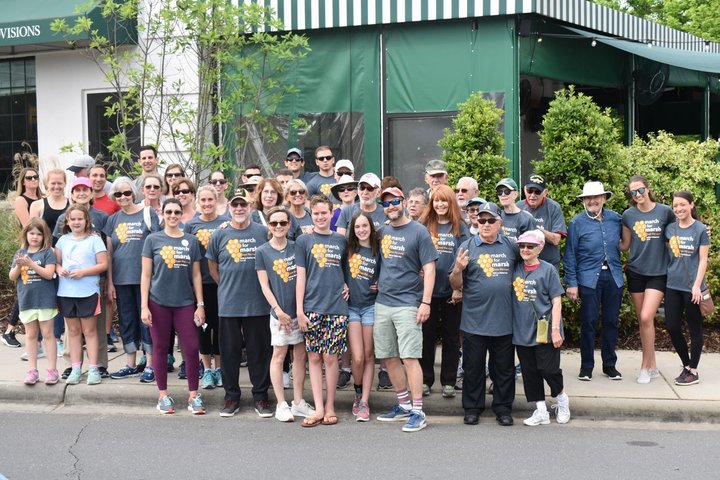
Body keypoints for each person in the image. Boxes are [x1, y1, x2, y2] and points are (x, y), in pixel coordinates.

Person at [374, 187, 437, 433]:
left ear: (403, 202)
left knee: (410, 357)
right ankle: (403, 405)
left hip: (408, 303)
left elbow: (429, 269)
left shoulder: (419, 232)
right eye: (386, 203)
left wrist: (426, 302)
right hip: (383, 302)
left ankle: (418, 411)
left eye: (395, 202)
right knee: (388, 356)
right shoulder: (382, 232)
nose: (391, 207)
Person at [449, 202, 517, 427]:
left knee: (504, 369)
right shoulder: (467, 246)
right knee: (473, 368)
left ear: (500, 222)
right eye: (481, 220)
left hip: (504, 320)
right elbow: (455, 284)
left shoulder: (511, 246)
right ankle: (472, 408)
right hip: (474, 321)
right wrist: (458, 269)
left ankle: (503, 408)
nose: (485, 224)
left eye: (490, 220)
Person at [206, 188, 273, 418]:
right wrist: (225, 285)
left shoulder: (263, 232)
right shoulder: (219, 234)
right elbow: (212, 266)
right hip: (229, 304)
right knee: (230, 352)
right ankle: (231, 397)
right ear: (229, 208)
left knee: (259, 352)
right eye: (235, 205)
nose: (239, 209)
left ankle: (261, 396)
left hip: (258, 304)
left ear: (250, 207)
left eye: (243, 205)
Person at [141, 198, 206, 414]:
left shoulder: (191, 240)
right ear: (162, 213)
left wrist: (200, 304)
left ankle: (194, 396)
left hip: (185, 302)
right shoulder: (152, 240)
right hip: (157, 301)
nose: (172, 215)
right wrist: (144, 306)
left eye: (176, 212)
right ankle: (163, 396)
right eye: (168, 211)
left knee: (192, 348)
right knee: (160, 348)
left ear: (181, 214)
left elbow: (196, 275)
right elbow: (146, 275)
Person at [256, 206, 315, 422]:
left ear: (289, 224)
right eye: (274, 223)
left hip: (299, 312)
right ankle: (281, 403)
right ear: (269, 226)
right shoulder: (262, 251)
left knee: (300, 356)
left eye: (283, 222)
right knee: (279, 355)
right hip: (278, 314)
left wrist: (298, 311)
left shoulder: (296, 246)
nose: (279, 226)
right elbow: (264, 286)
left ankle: (298, 402)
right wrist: (279, 311)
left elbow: (303, 277)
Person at [295, 195, 349, 427]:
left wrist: (346, 285)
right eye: (315, 213)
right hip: (311, 307)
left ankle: (330, 406)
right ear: (311, 214)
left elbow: (346, 270)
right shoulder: (303, 241)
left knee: (330, 357)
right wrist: (299, 310)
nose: (319, 217)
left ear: (331, 213)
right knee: (314, 357)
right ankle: (317, 408)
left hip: (337, 307)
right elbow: (301, 276)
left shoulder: (340, 240)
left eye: (323, 213)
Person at [564, 182, 623, 381]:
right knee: (588, 323)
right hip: (588, 279)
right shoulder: (577, 223)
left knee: (611, 322)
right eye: (588, 198)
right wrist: (571, 283)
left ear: (604, 198)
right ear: (583, 201)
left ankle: (609, 366)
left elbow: (633, 239)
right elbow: (570, 254)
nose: (592, 201)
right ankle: (586, 366)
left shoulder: (616, 219)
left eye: (596, 197)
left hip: (614, 277)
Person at [511, 230, 569, 425]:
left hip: (545, 329)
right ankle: (541, 410)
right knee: (529, 372)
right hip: (521, 329)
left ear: (540, 248)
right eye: (522, 246)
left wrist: (555, 329)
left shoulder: (548, 269)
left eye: (530, 246)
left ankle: (562, 399)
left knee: (548, 369)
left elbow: (557, 300)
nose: (525, 249)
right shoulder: (515, 268)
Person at [105, 177, 161, 382]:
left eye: (127, 193)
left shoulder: (147, 214)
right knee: (127, 320)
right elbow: (109, 253)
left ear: (134, 193)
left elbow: (157, 245)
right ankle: (130, 363)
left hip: (145, 278)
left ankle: (150, 365)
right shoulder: (113, 220)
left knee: (146, 320)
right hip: (121, 279)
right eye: (118, 194)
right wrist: (110, 282)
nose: (123, 197)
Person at [621, 175, 674, 384]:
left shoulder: (665, 212)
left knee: (645, 317)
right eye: (633, 192)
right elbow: (625, 245)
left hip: (658, 273)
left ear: (648, 188)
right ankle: (652, 366)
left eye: (640, 190)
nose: (637, 195)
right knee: (645, 321)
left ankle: (644, 366)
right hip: (635, 272)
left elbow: (674, 238)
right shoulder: (628, 215)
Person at [419, 185, 468, 398]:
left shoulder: (460, 227)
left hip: (451, 292)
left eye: (444, 201)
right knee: (425, 337)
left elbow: (466, 260)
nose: (440, 205)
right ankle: (425, 380)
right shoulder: (423, 225)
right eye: (436, 201)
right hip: (427, 292)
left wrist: (459, 288)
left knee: (450, 338)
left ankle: (448, 381)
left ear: (451, 203)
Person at [55, 204, 108, 385]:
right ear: (67, 222)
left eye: (80, 219)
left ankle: (93, 368)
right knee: (74, 331)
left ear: (86, 221)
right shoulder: (63, 240)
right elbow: (56, 263)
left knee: (90, 331)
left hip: (88, 292)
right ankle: (76, 368)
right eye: (73, 219)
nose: (76, 222)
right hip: (66, 292)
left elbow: (103, 264)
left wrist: (83, 272)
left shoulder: (94, 240)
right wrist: (59, 269)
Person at [664, 191, 709, 386]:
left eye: (682, 204)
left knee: (694, 329)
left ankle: (694, 371)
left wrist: (697, 286)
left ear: (691, 204)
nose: (679, 209)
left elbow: (703, 259)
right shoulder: (669, 229)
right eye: (675, 206)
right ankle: (686, 365)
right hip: (672, 285)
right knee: (672, 327)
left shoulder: (700, 229)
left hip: (693, 288)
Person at [184, 186, 226, 389]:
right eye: (204, 200)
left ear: (216, 200)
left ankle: (219, 369)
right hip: (200, 284)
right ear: (198, 201)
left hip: (222, 283)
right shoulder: (191, 225)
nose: (207, 203)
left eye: (211, 199)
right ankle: (207, 369)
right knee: (202, 326)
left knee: (219, 328)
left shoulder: (224, 223)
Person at [10, 218, 59, 385]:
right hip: (27, 301)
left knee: (47, 335)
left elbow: (48, 274)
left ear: (44, 235)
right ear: (26, 234)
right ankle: (32, 370)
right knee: (31, 335)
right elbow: (12, 276)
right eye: (32, 233)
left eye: (39, 234)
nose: (35, 237)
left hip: (45, 301)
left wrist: (31, 264)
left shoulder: (47, 253)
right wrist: (19, 265)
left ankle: (52, 370)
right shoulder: (20, 252)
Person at [345, 211, 380, 421]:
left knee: (368, 355)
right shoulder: (347, 249)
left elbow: (389, 271)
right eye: (357, 227)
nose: (361, 230)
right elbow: (336, 271)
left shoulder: (378, 250)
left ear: (370, 227)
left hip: (370, 306)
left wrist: (382, 284)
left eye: (364, 226)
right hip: (351, 307)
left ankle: (364, 401)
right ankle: (357, 392)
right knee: (356, 357)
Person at [3, 167, 43, 349]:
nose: (33, 180)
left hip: (44, 248)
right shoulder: (21, 200)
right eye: (29, 177)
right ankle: (9, 330)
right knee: (24, 289)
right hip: (27, 249)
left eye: (36, 177)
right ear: (23, 181)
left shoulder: (42, 198)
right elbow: (30, 226)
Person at [517, 174, 566, 270]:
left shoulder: (554, 207)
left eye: (537, 192)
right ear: (524, 190)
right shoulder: (518, 207)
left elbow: (556, 240)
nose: (532, 195)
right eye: (529, 191)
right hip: (524, 265)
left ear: (545, 192)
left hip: (548, 265)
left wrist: (536, 228)